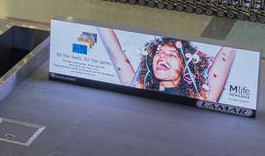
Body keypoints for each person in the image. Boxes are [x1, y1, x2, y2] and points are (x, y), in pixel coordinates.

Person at [98, 30, 235, 102]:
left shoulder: (202, 96)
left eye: (172, 54)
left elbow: (227, 53)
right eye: (158, 52)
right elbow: (116, 55)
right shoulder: (139, 86)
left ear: (185, 66)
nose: (162, 56)